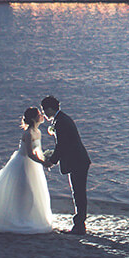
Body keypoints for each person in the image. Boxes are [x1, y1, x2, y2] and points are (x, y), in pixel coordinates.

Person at [41, 95, 91, 235]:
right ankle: (79, 224)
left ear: (50, 109)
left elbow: (61, 145)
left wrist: (52, 160)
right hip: (77, 160)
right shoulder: (62, 119)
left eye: (44, 110)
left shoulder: (61, 122)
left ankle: (79, 226)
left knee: (79, 193)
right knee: (78, 193)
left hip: (78, 161)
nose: (44, 114)